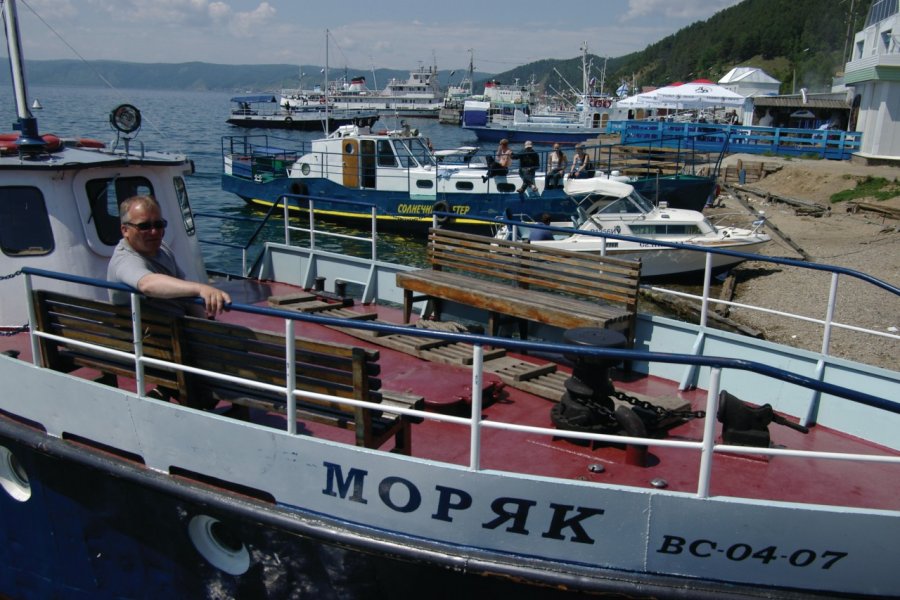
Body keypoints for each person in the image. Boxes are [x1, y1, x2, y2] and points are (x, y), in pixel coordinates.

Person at [107, 195, 231, 319]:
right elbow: (147, 284)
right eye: (144, 227)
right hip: (153, 332)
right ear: (125, 230)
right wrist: (201, 289)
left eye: (158, 224)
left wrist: (205, 324)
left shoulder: (162, 249)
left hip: (181, 324)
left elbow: (183, 286)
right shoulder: (125, 260)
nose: (154, 232)